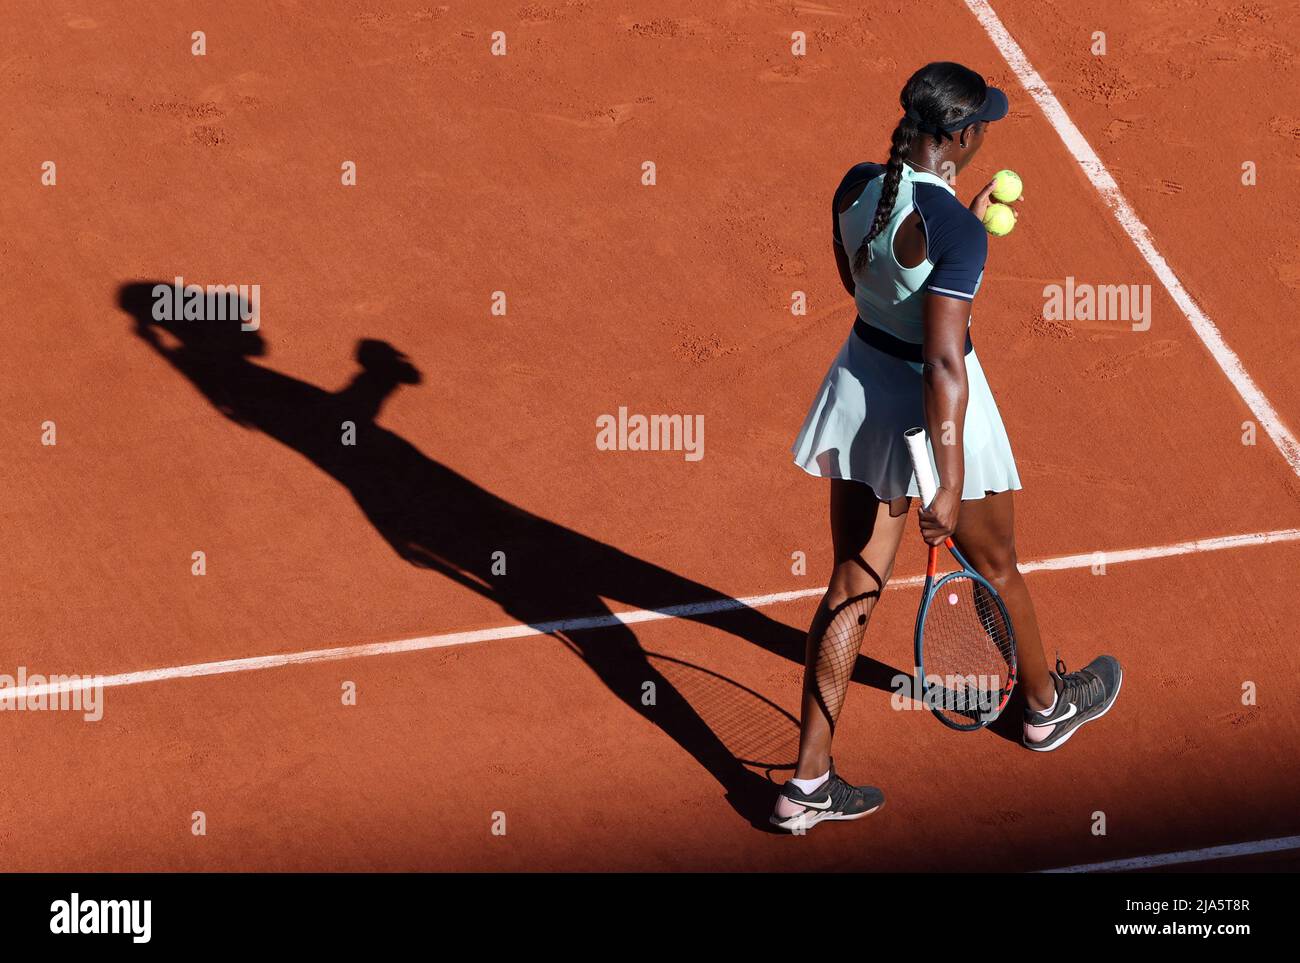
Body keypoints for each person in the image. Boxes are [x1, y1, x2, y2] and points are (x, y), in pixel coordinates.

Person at [772, 62, 1122, 833]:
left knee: (851, 586)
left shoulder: (857, 185)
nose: (986, 131)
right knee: (996, 562)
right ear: (961, 137)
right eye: (983, 123)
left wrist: (949, 231)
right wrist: (951, 479)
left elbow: (866, 281)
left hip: (860, 394)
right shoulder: (960, 233)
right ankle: (1043, 707)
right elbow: (941, 363)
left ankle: (806, 785)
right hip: (933, 410)